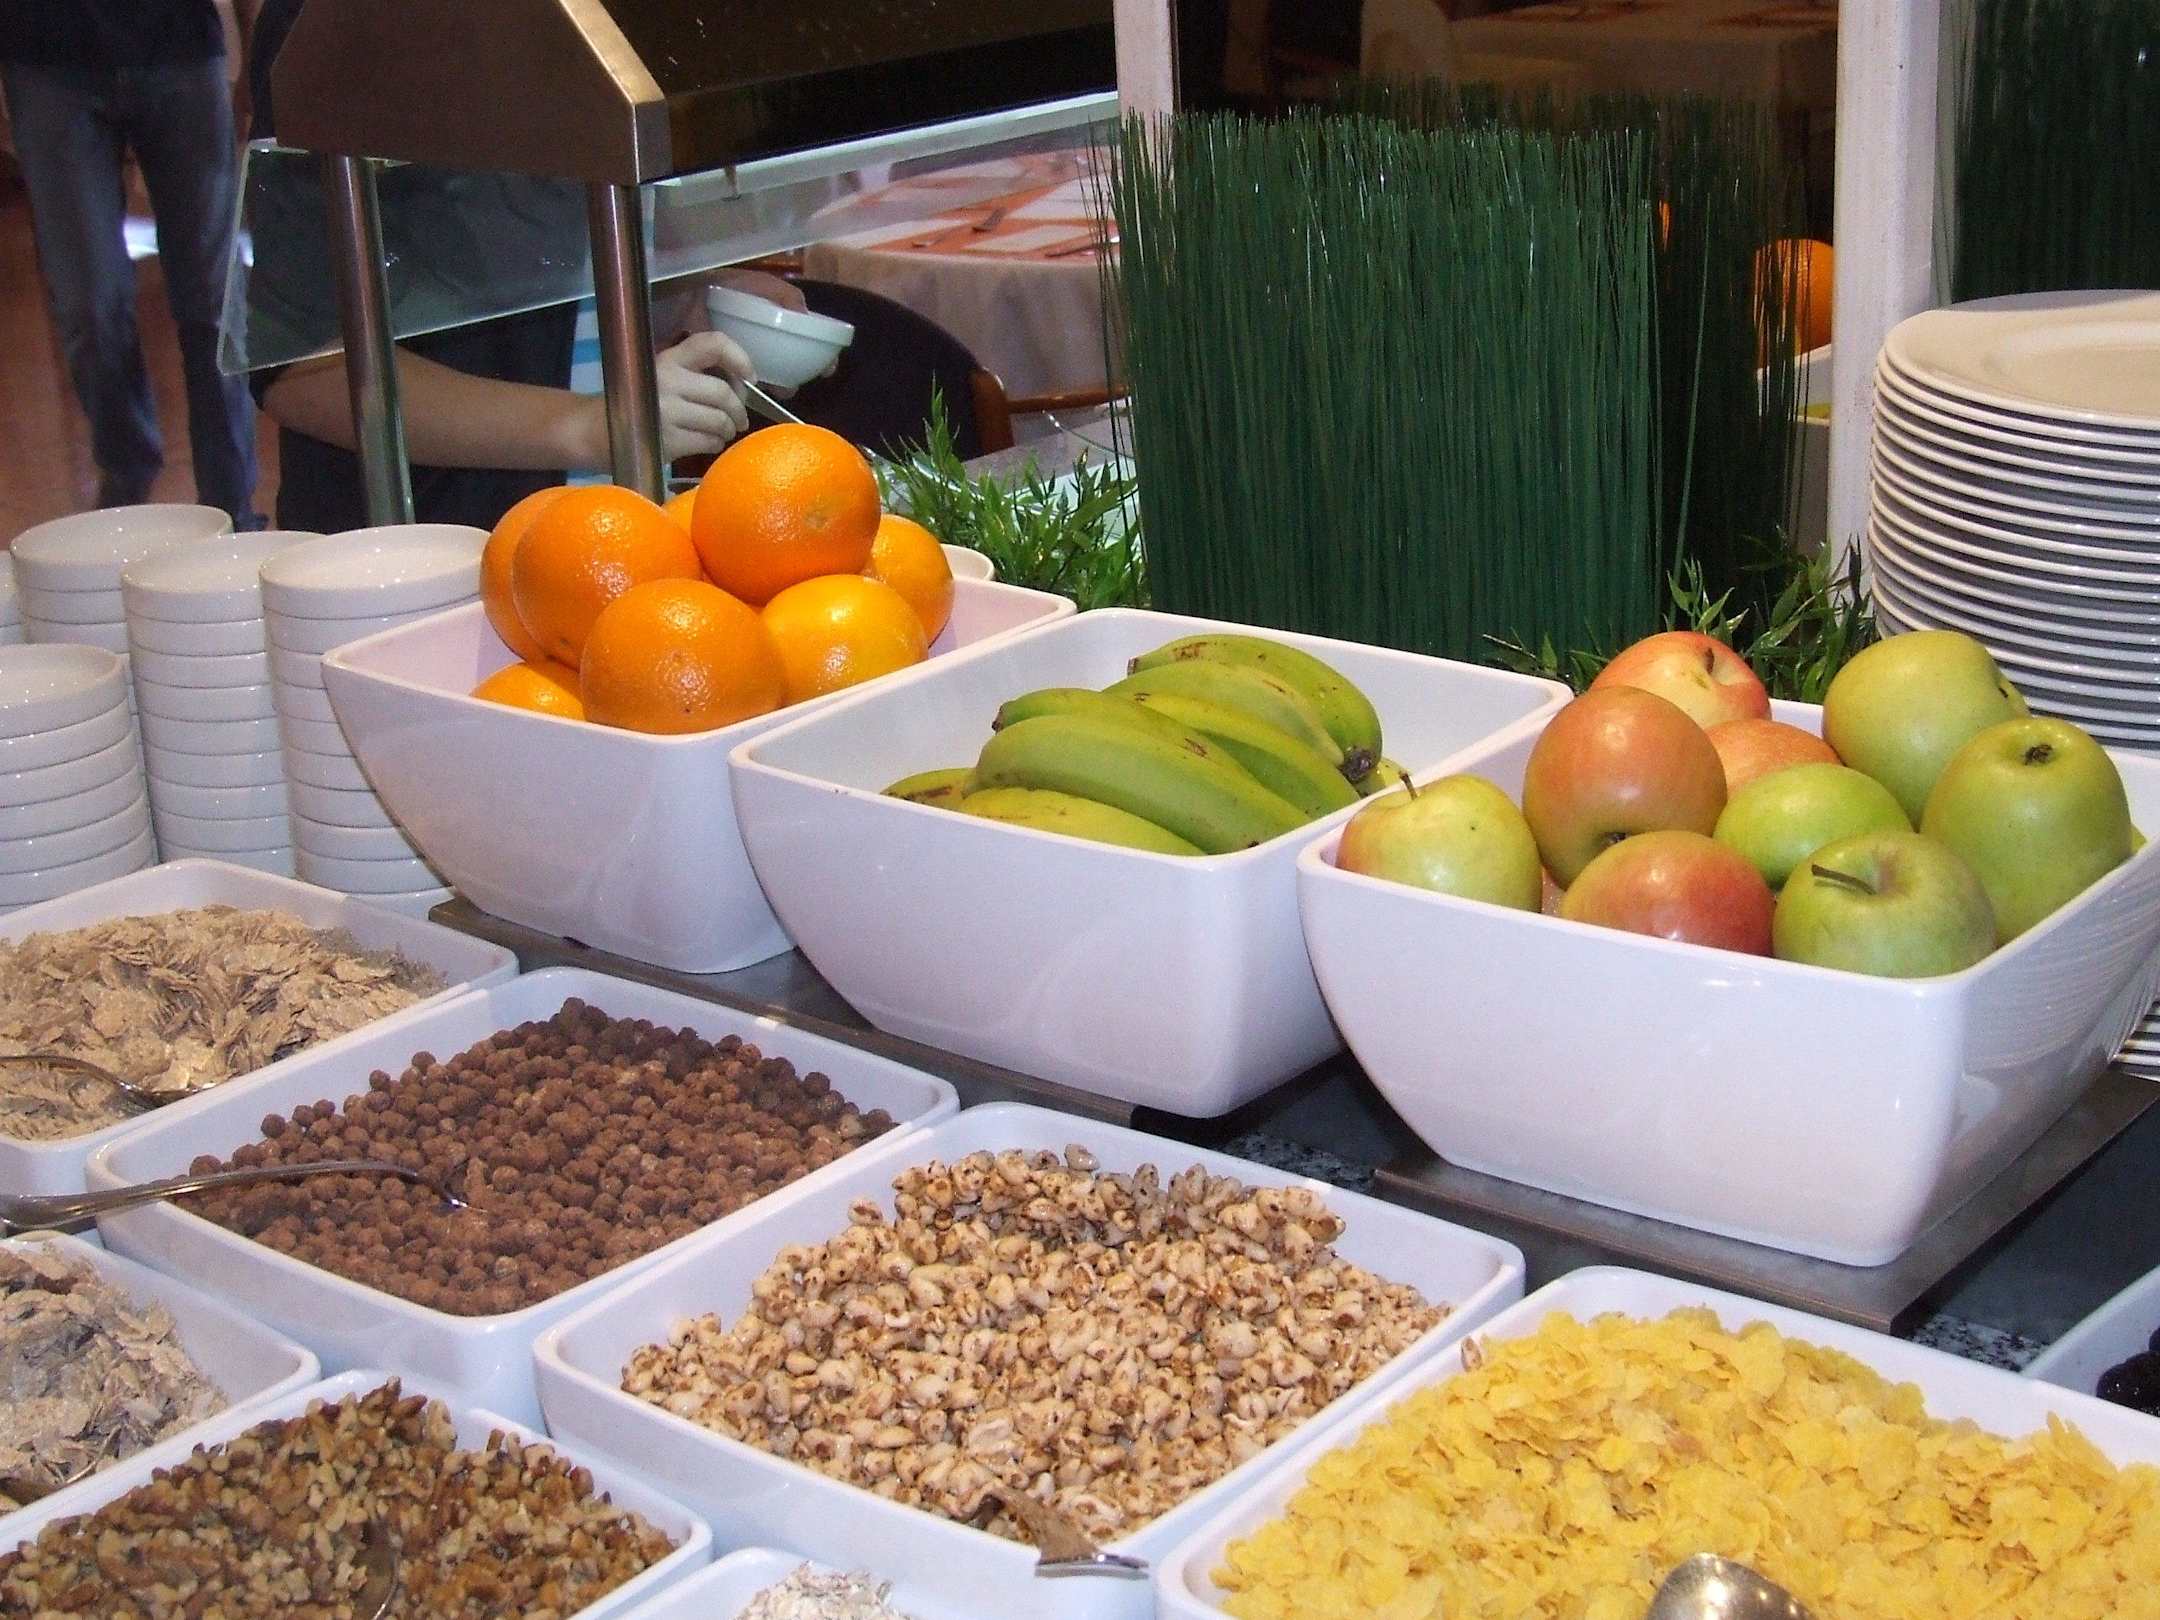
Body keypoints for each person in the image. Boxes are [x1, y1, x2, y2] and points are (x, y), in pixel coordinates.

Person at [243, 0, 761, 533]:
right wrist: (592, 423)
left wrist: (692, 290)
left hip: (610, 528)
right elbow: (302, 369)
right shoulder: (349, 20)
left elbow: (577, 241)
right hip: (430, 538)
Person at [0, 0, 260, 519]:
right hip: (43, 57)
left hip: (182, 49)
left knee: (213, 300)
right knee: (89, 305)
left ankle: (232, 506)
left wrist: (256, 62)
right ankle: (126, 478)